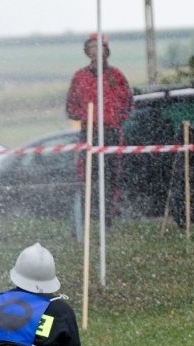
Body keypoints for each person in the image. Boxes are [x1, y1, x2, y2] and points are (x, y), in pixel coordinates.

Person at [66, 33, 134, 226]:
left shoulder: (116, 76)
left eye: (100, 47)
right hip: (89, 134)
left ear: (106, 51)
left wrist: (114, 118)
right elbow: (71, 106)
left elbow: (128, 103)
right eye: (93, 47)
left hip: (112, 133)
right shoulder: (80, 77)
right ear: (87, 51)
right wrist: (88, 117)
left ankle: (108, 218)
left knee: (111, 176)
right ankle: (90, 216)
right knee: (89, 176)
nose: (97, 51)